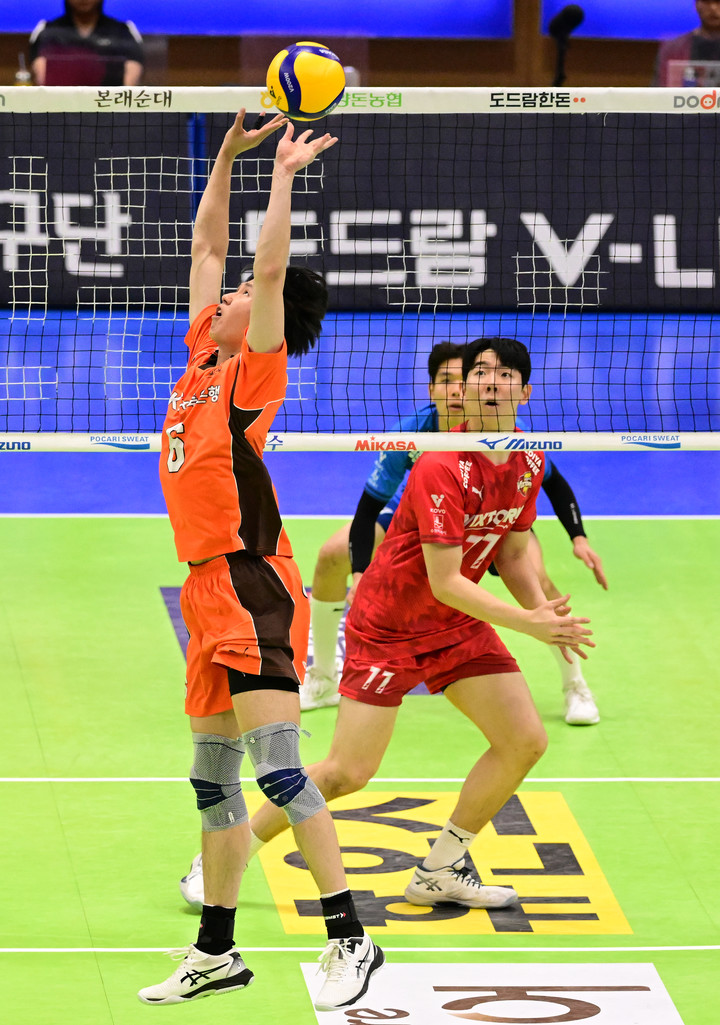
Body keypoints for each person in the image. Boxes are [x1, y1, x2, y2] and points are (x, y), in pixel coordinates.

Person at [139, 111, 383, 1011]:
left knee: (278, 768)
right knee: (212, 778)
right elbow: (208, 245)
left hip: (252, 582)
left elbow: (267, 269)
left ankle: (351, 937)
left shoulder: (252, 374)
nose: (232, 292)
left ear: (266, 318)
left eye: (244, 293)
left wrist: (280, 175)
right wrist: (225, 159)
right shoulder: (203, 357)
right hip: (206, 587)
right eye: (233, 292)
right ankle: (217, 950)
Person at [216, 336, 596, 912]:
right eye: (480, 373)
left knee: (524, 740)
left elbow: (514, 553)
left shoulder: (528, 459)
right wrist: (529, 623)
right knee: (347, 772)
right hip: (389, 627)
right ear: (464, 388)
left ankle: (440, 869)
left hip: (457, 625)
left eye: (504, 375)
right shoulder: (441, 463)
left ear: (525, 392)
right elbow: (446, 580)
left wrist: (544, 613)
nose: (490, 383)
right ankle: (227, 855)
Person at [29, 0, 144, 87]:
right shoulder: (47, 30)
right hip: (59, 107)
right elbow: (41, 78)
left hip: (109, 107)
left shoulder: (123, 31)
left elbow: (129, 84)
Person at [653, 0, 720, 86]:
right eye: (706, 1)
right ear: (696, 5)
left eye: (718, 2)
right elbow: (661, 88)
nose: (713, 7)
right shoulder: (673, 48)